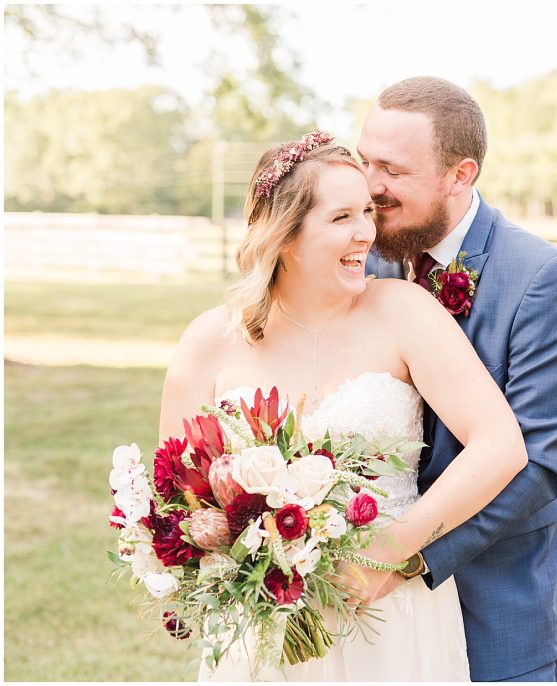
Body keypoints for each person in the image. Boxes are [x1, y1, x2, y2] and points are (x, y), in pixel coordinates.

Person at [160, 131, 528, 680]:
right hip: (264, 625)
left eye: (367, 212)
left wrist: (390, 549)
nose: (367, 233)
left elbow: (500, 445)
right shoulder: (208, 341)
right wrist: (248, 557)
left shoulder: (405, 311)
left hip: (392, 615)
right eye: (341, 218)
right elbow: (177, 498)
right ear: (285, 235)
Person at [360, 76, 557, 682]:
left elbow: (538, 464)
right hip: (372, 612)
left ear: (459, 175)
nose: (370, 185)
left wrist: (407, 557)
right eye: (365, 161)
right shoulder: (362, 261)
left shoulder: (541, 278)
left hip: (497, 595)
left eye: (392, 168)